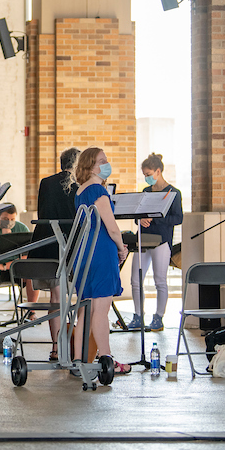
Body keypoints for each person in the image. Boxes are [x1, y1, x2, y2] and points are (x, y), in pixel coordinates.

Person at [71, 147, 130, 375]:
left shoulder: (80, 191)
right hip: (101, 251)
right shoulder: (98, 190)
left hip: (84, 251)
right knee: (101, 310)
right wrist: (121, 248)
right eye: (102, 161)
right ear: (90, 166)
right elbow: (112, 227)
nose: (106, 164)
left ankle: (78, 360)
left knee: (85, 309)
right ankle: (107, 359)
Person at [29, 147, 79, 359]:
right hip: (69, 243)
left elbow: (43, 211)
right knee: (71, 297)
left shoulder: (46, 183)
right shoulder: (79, 186)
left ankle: (56, 347)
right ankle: (70, 348)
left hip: (45, 245)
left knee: (55, 298)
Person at [129, 153, 183, 332]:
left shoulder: (174, 193)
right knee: (136, 280)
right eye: (144, 174)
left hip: (161, 241)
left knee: (160, 280)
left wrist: (156, 219)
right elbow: (138, 213)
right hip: (142, 239)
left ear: (158, 171)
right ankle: (138, 315)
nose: (146, 177)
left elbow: (178, 218)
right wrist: (141, 220)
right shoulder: (145, 192)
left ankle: (159, 317)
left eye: (148, 174)